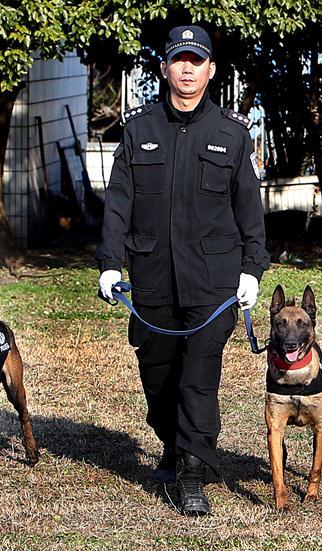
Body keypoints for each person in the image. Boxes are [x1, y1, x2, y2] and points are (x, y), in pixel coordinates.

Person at [96, 26, 269, 515]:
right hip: (152, 275)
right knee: (158, 376)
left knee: (198, 376)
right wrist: (110, 264)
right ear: (164, 68)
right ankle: (173, 445)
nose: (188, 69)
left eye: (197, 60)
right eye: (179, 60)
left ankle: (192, 469)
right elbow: (119, 203)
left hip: (213, 281)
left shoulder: (232, 134)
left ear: (211, 69)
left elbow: (249, 211)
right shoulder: (139, 130)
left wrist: (252, 270)